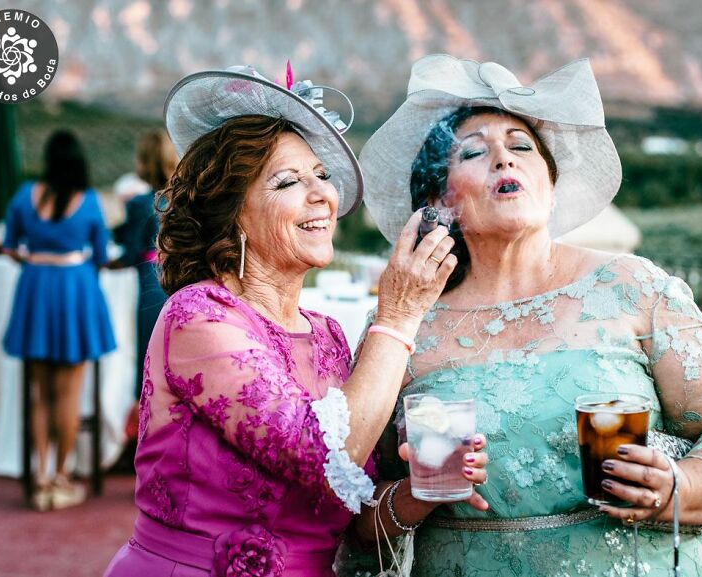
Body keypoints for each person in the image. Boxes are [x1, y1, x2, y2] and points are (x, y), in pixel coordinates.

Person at [340, 55, 702, 576]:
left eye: (522, 148)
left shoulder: (632, 287)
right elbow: (351, 509)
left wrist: (677, 486)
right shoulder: (404, 323)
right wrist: (416, 496)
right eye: (475, 152)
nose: (505, 160)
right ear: (442, 198)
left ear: (551, 187)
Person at [103, 64, 489, 577]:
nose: (322, 196)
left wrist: (421, 490)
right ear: (233, 211)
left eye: (322, 177)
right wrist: (399, 314)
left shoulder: (327, 334)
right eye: (289, 181)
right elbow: (323, 452)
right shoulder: (198, 315)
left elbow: (352, 513)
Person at [2, 130, 116, 511]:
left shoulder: (25, 195)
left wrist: (34, 260)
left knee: (41, 393)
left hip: (35, 289)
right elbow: (100, 254)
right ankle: (62, 478)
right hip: (75, 290)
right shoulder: (89, 201)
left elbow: (8, 244)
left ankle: (41, 477)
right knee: (69, 393)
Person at [109, 130, 177, 402]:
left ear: (145, 162)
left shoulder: (141, 202)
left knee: (147, 355)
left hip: (151, 283)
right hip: (177, 277)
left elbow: (130, 252)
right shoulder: (182, 199)